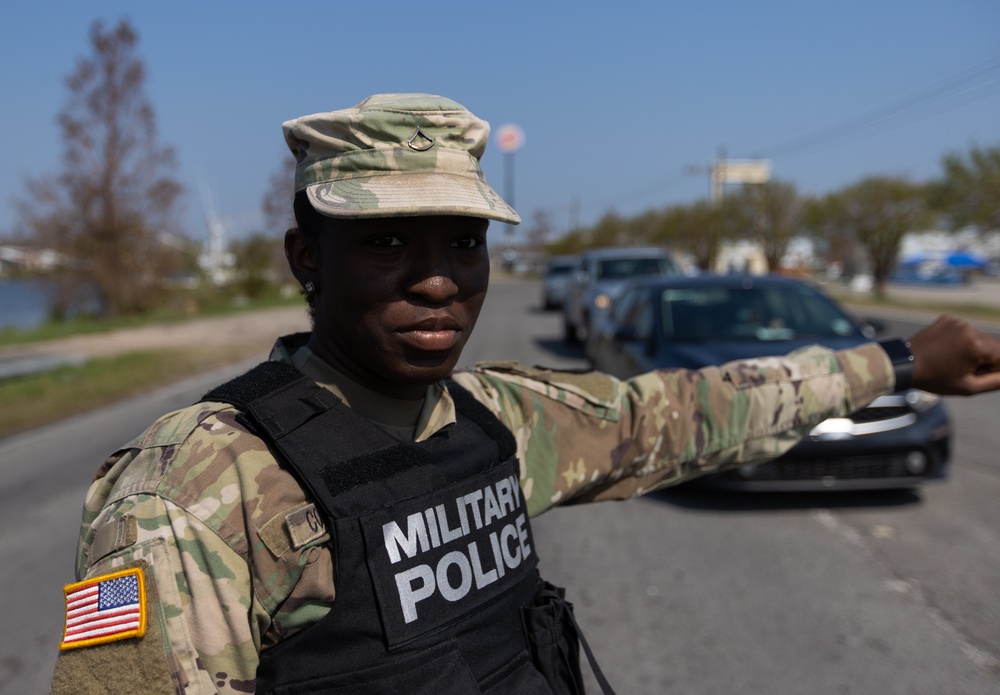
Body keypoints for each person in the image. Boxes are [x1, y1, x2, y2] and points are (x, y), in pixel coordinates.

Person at [50, 93, 1000, 695]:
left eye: (464, 241)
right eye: (388, 242)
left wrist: (898, 361)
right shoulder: (195, 490)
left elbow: (676, 417)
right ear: (307, 257)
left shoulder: (489, 417)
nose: (438, 280)